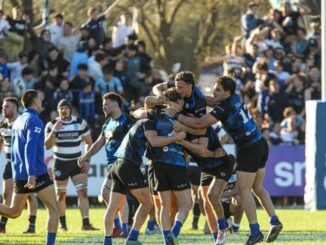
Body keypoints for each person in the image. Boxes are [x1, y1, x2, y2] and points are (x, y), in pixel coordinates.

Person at [167, 76, 283, 244]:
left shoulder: (224, 107)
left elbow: (200, 124)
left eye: (218, 90)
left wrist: (177, 115)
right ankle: (274, 220)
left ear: (227, 92)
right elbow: (210, 101)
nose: (214, 92)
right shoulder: (235, 98)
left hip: (248, 149)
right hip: (260, 143)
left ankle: (255, 231)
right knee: (258, 187)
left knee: (245, 191)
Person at [0, 89, 59, 245]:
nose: (42, 100)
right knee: (54, 209)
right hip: (36, 172)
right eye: (40, 98)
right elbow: (29, 147)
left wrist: (19, 172)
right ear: (34, 101)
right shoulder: (35, 121)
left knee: (14, 212)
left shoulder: (18, 120)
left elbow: (14, 149)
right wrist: (31, 173)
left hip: (19, 174)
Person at [78, 92, 133, 237]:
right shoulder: (107, 123)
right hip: (112, 164)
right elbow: (98, 143)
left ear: (116, 104)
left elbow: (136, 142)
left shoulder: (126, 121)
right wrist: (86, 156)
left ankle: (123, 228)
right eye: (103, 105)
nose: (104, 108)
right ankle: (120, 227)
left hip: (122, 163)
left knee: (113, 194)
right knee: (111, 194)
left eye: (106, 104)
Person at [44, 99, 96, 231]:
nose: (64, 110)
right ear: (58, 110)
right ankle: (63, 225)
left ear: (70, 109)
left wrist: (87, 160)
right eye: (61, 108)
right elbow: (47, 145)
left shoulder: (80, 122)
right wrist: (55, 130)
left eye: (66, 108)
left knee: (83, 193)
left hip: (77, 163)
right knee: (61, 195)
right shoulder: (51, 124)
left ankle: (86, 223)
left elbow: (89, 142)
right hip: (60, 164)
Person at [0, 97, 39, 234]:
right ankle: (2, 225)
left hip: (25, 164)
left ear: (16, 108)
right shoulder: (2, 125)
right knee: (6, 194)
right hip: (10, 164)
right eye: (4, 107)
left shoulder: (23, 121)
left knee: (30, 196)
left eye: (8, 107)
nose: (4, 109)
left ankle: (31, 225)